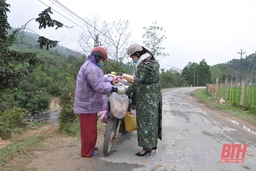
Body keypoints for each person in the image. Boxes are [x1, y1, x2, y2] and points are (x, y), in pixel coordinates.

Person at [73, 46, 125, 158]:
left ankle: (89, 146)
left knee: (89, 128)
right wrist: (115, 89)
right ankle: (87, 152)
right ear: (97, 58)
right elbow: (99, 86)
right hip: (86, 104)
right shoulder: (91, 68)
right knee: (88, 129)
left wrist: (111, 80)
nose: (102, 63)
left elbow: (100, 79)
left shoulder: (91, 66)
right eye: (102, 61)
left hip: (88, 103)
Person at [125, 43, 162, 156]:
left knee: (144, 121)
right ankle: (152, 143)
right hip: (155, 94)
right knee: (152, 120)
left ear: (137, 53)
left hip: (146, 97)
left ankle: (146, 148)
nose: (133, 60)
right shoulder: (153, 61)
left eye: (133, 57)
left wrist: (126, 92)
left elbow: (137, 82)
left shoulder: (144, 65)